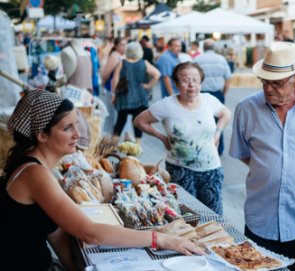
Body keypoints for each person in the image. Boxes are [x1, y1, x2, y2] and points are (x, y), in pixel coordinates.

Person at [0, 90, 204, 270]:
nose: (77, 134)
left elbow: (55, 232)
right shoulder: (36, 174)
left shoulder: (35, 167)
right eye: (67, 128)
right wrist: (158, 239)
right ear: (42, 136)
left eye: (76, 125)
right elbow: (91, 233)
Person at [229, 41, 295, 271]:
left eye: (276, 83)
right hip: (261, 219)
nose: (268, 89)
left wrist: (294, 169)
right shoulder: (246, 109)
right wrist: (270, 167)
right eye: (264, 82)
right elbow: (243, 154)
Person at [134, 62, 231, 215]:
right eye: (185, 80)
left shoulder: (209, 100)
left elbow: (226, 114)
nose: (191, 84)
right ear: (177, 83)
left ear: (201, 82)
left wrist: (217, 133)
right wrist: (162, 138)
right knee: (186, 216)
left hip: (211, 169)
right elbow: (139, 121)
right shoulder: (166, 105)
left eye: (195, 79)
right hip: (180, 170)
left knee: (214, 217)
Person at [111, 42, 160, 145]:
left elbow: (115, 79)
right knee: (138, 121)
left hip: (124, 95)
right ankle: (137, 145)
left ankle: (113, 144)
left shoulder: (122, 62)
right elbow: (157, 74)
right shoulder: (144, 63)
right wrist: (148, 86)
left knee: (121, 119)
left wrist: (114, 94)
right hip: (140, 96)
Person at [194, 39, 232, 156]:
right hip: (217, 93)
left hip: (201, 94)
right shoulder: (221, 59)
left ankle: (202, 148)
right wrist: (224, 93)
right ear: (213, 48)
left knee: (201, 121)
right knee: (219, 121)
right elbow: (228, 78)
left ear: (204, 48)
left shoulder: (197, 60)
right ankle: (218, 149)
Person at [100, 37, 126, 135]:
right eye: (122, 45)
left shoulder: (123, 56)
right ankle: (108, 134)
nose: (124, 47)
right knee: (110, 112)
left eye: (125, 45)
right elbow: (106, 73)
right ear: (116, 46)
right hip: (111, 87)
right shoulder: (115, 56)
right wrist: (104, 84)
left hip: (120, 88)